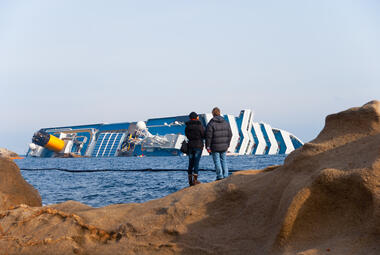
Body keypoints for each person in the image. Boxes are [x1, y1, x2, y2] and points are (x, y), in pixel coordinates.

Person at [206, 107, 232, 180]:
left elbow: (208, 136)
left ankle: (220, 176)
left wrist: (208, 146)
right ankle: (226, 175)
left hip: (214, 147)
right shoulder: (226, 123)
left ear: (213, 114)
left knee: (217, 161)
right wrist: (227, 144)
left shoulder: (211, 124)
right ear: (219, 113)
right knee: (224, 160)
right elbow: (230, 134)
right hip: (224, 146)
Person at [185, 111, 205, 186]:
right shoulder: (199, 126)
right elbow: (203, 135)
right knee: (196, 163)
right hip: (198, 146)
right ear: (196, 117)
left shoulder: (187, 126)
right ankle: (195, 180)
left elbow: (187, 135)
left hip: (190, 146)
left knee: (190, 163)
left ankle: (190, 181)